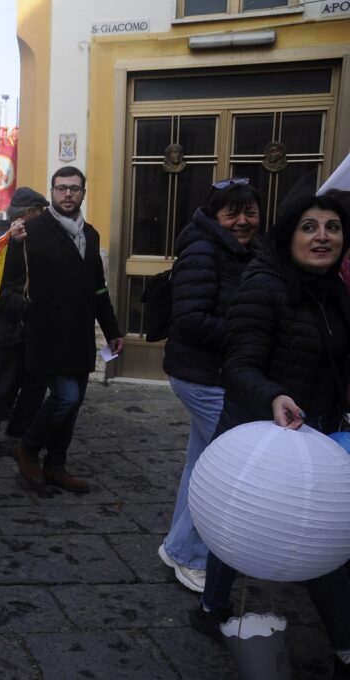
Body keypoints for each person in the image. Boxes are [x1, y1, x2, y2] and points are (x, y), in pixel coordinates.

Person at [191, 193, 350, 678]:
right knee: (313, 530)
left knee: (246, 524)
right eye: (309, 227)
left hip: (314, 432)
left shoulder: (335, 291)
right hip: (260, 431)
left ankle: (209, 607)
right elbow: (238, 365)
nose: (322, 236)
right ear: (288, 236)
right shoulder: (263, 286)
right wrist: (274, 396)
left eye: (332, 227)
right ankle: (346, 644)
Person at [158, 178, 265, 594]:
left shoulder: (250, 249)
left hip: (222, 374)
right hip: (203, 377)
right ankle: (190, 554)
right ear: (215, 216)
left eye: (250, 212)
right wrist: (251, 334)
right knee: (229, 467)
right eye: (232, 213)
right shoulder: (203, 250)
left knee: (202, 462)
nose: (243, 221)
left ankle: (178, 548)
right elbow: (190, 319)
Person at [6, 166, 123, 493]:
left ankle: (56, 465)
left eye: (74, 188)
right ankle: (28, 448)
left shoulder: (92, 233)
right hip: (47, 332)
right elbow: (11, 275)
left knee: (75, 402)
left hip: (81, 333)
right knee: (65, 396)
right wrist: (13, 246)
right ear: (53, 192)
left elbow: (98, 288)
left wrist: (112, 329)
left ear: (83, 192)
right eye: (61, 188)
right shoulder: (32, 230)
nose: (68, 194)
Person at [0, 187, 49, 456]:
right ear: (28, 214)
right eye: (40, 212)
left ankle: (15, 427)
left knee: (20, 382)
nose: (43, 216)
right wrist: (26, 309)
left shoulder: (18, 239)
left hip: (17, 327)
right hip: (5, 328)